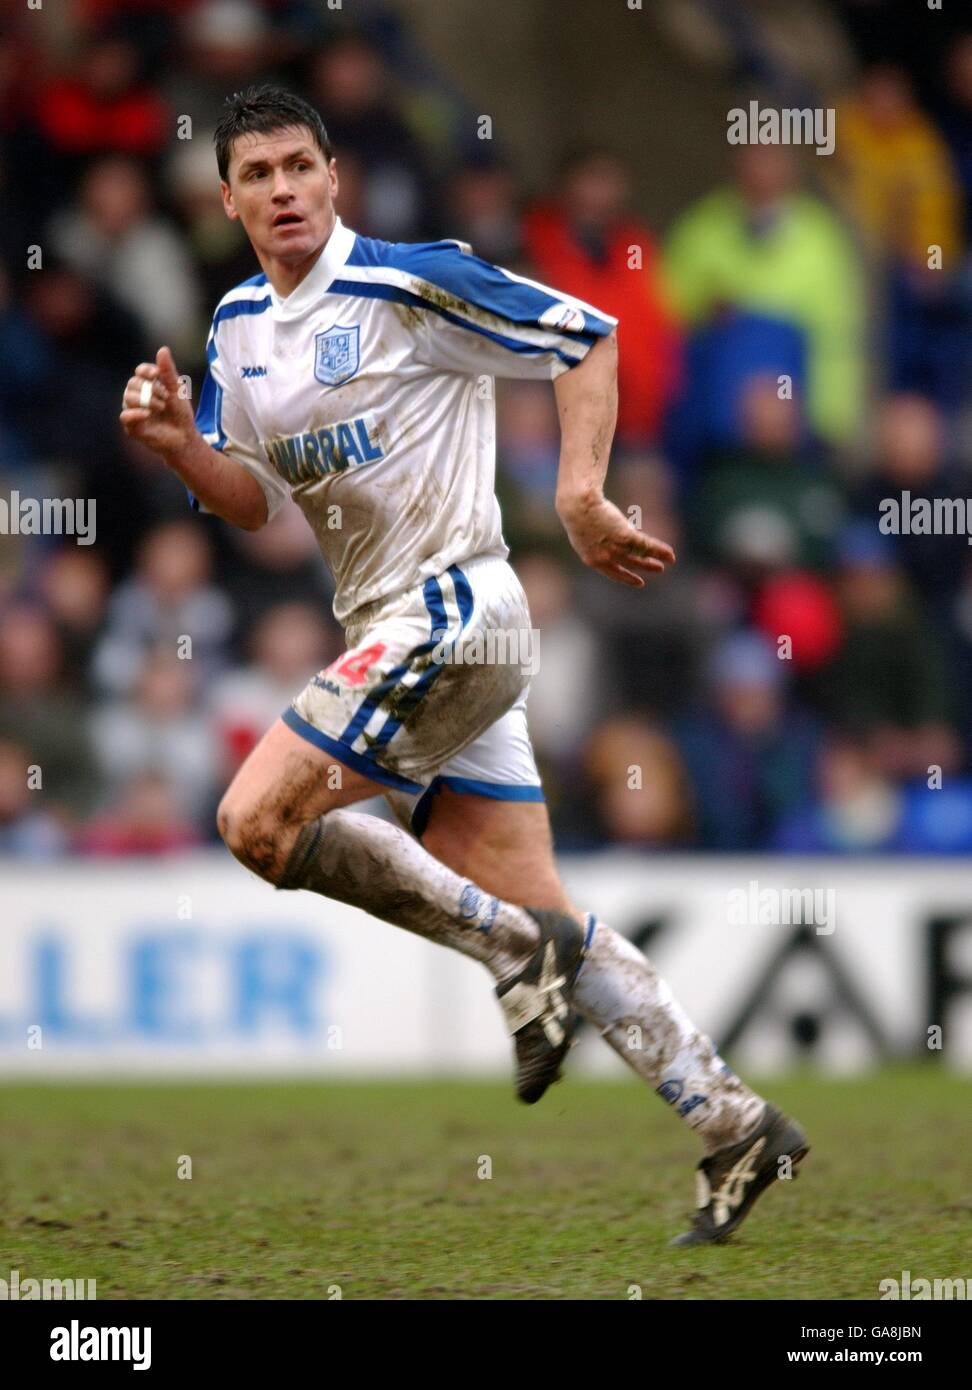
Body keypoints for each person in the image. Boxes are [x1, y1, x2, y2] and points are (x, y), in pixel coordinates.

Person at [119, 84, 807, 1245]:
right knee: (548, 913)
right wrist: (186, 445)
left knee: (253, 820)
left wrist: (580, 495)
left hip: (457, 611)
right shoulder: (238, 326)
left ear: (335, 175)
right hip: (401, 637)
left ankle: (505, 954)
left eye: (301, 164)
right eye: (259, 174)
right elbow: (253, 505)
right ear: (227, 198)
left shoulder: (406, 280)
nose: (284, 188)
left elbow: (588, 333)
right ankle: (735, 1122)